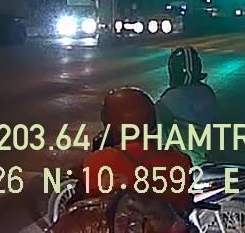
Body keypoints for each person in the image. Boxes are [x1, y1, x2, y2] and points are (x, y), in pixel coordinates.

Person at [81, 87, 195, 215]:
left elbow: (92, 210)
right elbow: (186, 205)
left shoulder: (96, 162)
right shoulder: (180, 160)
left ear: (109, 123)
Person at [155, 47, 217, 166]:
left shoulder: (172, 98)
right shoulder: (207, 92)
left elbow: (150, 124)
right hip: (206, 157)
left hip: (182, 163)